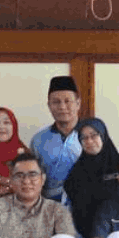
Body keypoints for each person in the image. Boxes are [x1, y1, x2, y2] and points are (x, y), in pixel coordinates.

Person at [63, 118, 119, 238]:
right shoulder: (76, 173)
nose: (89, 141)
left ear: (103, 136)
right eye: (84, 138)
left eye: (94, 136)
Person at [29, 75, 82, 203]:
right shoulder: (39, 140)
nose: (62, 107)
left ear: (78, 103)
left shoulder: (92, 136)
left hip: (86, 204)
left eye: (67, 101)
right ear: (49, 105)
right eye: (56, 102)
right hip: (49, 206)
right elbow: (32, 179)